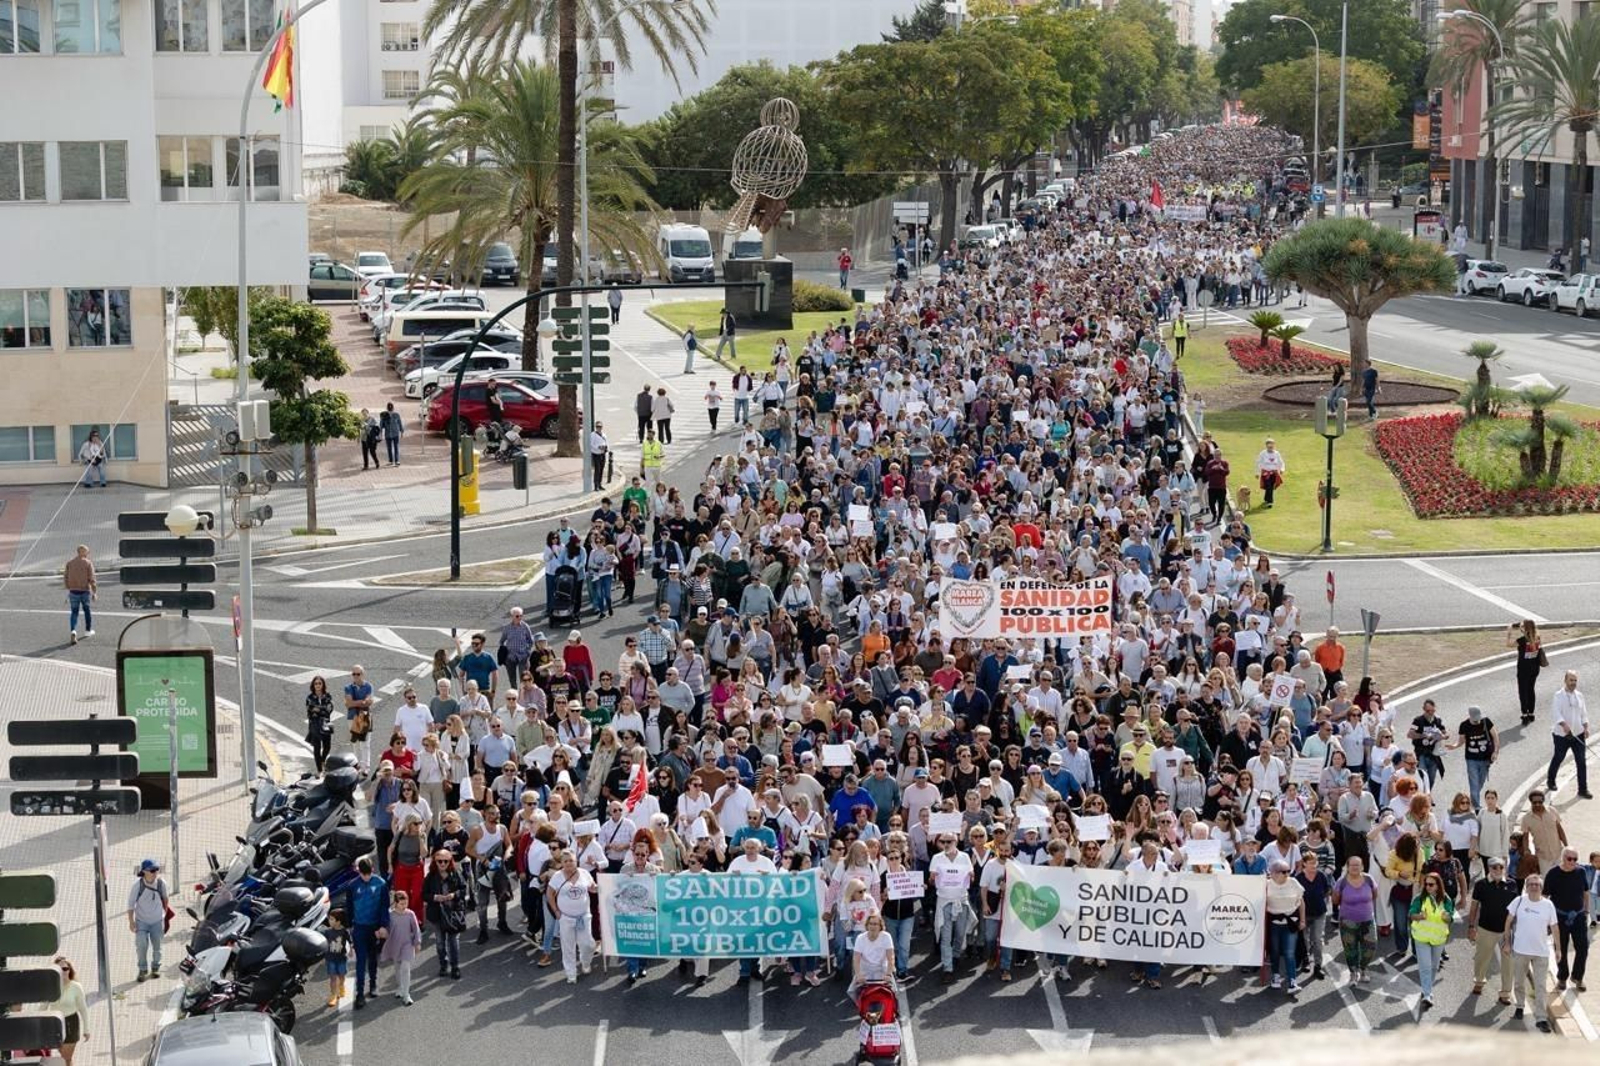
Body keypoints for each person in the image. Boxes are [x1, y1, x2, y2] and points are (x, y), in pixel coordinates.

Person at [1503, 873, 1559, 1032]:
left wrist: (1558, 949)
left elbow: (1555, 928)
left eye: (1537, 885)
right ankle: (1520, 1007)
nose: (1534, 887)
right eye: (1531, 884)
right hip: (1520, 950)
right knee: (1519, 982)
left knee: (1541, 985)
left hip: (1541, 952)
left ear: (1541, 888)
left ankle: (1541, 1018)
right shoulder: (1519, 901)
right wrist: (1507, 942)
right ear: (1526, 887)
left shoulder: (1548, 905)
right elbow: (1508, 921)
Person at [546, 851, 598, 984]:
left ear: (576, 861)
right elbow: (550, 894)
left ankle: (585, 962)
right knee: (568, 947)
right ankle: (571, 973)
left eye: (571, 860)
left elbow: (592, 889)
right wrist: (556, 911)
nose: (569, 863)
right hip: (566, 918)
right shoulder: (557, 876)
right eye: (566, 861)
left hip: (584, 916)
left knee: (588, 944)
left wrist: (597, 887)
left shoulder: (585, 873)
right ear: (562, 863)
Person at [1545, 847, 1591, 992]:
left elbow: (1586, 893)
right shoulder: (1553, 874)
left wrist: (1586, 911)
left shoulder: (1581, 871)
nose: (1572, 862)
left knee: (1583, 947)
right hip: (1559, 918)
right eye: (1569, 859)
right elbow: (1545, 897)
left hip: (1578, 916)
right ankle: (1562, 977)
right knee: (1561, 948)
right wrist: (1546, 919)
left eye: (1575, 859)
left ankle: (1577, 977)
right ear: (1563, 858)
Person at [345, 857, 388, 1010]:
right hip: (359, 928)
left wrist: (383, 925)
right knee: (361, 961)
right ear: (358, 872)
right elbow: (349, 908)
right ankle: (360, 994)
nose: (366, 877)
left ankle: (374, 985)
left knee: (373, 958)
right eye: (363, 874)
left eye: (368, 874)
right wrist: (349, 928)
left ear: (373, 870)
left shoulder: (381, 883)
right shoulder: (352, 886)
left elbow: (384, 906)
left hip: (375, 928)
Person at [1409, 870, 1455, 1009]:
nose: (1427, 887)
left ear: (1438, 886)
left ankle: (1427, 989)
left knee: (1434, 967)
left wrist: (1446, 917)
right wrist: (1419, 916)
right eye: (1426, 884)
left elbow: (1450, 917)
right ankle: (1427, 994)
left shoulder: (1446, 899)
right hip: (1421, 937)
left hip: (1438, 939)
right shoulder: (1420, 898)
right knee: (1425, 966)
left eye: (1431, 884)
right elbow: (1411, 914)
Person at [1331, 855, 1378, 984]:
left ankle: (1363, 969)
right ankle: (1353, 972)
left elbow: (1374, 895)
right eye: (1352, 865)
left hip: (1367, 920)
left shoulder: (1369, 879)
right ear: (1347, 867)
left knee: (1370, 946)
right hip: (1348, 921)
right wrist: (1335, 893)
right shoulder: (1342, 882)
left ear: (1362, 866)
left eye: (1358, 865)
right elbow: (1335, 901)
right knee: (1350, 949)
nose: (1355, 867)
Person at [423, 848, 468, 979]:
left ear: (450, 862)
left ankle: (455, 967)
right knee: (440, 942)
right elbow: (424, 894)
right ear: (435, 862)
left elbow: (464, 889)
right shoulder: (430, 877)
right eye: (439, 861)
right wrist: (436, 897)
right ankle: (443, 964)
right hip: (437, 914)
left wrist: (454, 895)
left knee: (453, 941)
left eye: (445, 861)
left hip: (453, 913)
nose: (442, 864)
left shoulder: (456, 874)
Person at [1548, 669, 1591, 799]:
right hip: (1562, 735)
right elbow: (1556, 713)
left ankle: (1583, 789)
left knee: (1581, 762)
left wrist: (1586, 727)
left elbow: (1583, 713)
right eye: (1571, 680)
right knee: (1559, 757)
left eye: (1575, 680)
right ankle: (1551, 780)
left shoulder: (1579, 696)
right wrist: (1563, 724)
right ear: (1565, 680)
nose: (1573, 683)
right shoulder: (1558, 696)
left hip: (1578, 734)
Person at [1266, 860, 1306, 994]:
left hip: (1291, 922)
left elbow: (1301, 902)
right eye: (1284, 872)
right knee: (1275, 951)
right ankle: (1275, 976)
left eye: (1288, 871)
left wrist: (1303, 920)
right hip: (1274, 923)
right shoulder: (1266, 885)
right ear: (1274, 873)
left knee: (1290, 953)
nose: (1287, 874)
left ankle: (1292, 982)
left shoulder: (1293, 882)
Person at [127, 859, 169, 982]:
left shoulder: (162, 884)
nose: (155, 873)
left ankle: (155, 968)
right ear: (144, 871)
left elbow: (165, 899)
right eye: (152, 870)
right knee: (141, 945)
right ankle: (143, 969)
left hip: (157, 921)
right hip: (141, 921)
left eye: (157, 870)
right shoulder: (137, 886)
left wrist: (163, 914)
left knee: (157, 946)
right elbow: (130, 905)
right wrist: (131, 921)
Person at [42, 956, 88, 1065]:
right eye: (59, 969)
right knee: (65, 1058)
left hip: (71, 1022)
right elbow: (43, 1007)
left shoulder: (76, 987)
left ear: (69, 970)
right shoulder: (50, 988)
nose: (63, 972)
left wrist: (86, 1030)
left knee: (66, 1056)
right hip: (55, 1022)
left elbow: (83, 1009)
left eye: (65, 969)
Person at [378, 889, 422, 1006]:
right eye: (401, 904)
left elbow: (416, 929)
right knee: (397, 968)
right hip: (395, 944)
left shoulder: (410, 914)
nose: (404, 906)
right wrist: (381, 932)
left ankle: (407, 995)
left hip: (407, 944)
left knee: (405, 967)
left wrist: (417, 943)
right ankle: (400, 987)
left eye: (406, 903)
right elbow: (386, 929)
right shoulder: (390, 915)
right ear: (396, 903)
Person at [1510, 619, 1546, 724]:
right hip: (1534, 668)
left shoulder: (1522, 640)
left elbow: (1508, 644)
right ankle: (1531, 713)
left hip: (1523, 670)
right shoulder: (1537, 638)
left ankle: (1524, 714)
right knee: (1531, 690)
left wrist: (1509, 632)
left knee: (1523, 692)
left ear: (1525, 628)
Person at [63, 544, 97, 646]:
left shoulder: (70, 563)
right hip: (84, 591)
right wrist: (94, 592)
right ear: (82, 552)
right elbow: (92, 579)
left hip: (73, 591)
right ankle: (87, 631)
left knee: (74, 612)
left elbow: (65, 577)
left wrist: (69, 588)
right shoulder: (88, 563)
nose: (88, 553)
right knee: (87, 610)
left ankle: (73, 630)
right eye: (87, 551)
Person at [305, 675, 335, 772]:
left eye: (319, 683)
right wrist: (321, 709)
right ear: (313, 685)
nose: (318, 685)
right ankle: (319, 770)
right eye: (316, 683)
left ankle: (322, 761)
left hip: (325, 724)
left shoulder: (328, 696)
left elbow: (329, 710)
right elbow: (310, 711)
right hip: (314, 725)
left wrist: (317, 709)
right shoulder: (309, 698)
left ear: (323, 685)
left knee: (327, 746)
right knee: (317, 748)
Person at [323, 910, 350, 1008]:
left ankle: (341, 986)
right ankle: (333, 994)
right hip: (330, 959)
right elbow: (323, 943)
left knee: (341, 976)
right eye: (329, 919)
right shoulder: (327, 932)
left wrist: (351, 950)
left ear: (338, 921)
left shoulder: (344, 932)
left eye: (332, 919)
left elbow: (350, 941)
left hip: (341, 958)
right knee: (333, 978)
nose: (329, 921)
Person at [1254, 438, 1285, 509]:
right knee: (1268, 486)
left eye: (1272, 446)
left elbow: (1281, 462)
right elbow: (1258, 463)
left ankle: (1266, 499)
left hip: (1274, 473)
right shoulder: (1263, 453)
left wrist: (1282, 469)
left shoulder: (1277, 453)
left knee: (1271, 487)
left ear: (1274, 445)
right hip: (1266, 473)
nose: (1270, 448)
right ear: (1266, 446)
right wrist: (1257, 473)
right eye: (1269, 446)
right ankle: (1270, 502)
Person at [380, 401, 404, 465]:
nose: (390, 411)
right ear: (387, 409)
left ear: (393, 408)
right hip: (388, 434)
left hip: (395, 433)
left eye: (391, 408)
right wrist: (381, 434)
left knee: (396, 447)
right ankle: (390, 461)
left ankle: (397, 461)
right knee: (389, 448)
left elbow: (400, 423)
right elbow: (381, 425)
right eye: (389, 408)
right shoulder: (384, 415)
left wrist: (401, 432)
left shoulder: (396, 415)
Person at [588, 420, 609, 492]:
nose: (599, 428)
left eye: (600, 426)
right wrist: (598, 447)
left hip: (602, 454)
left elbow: (606, 442)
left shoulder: (604, 435)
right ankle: (596, 485)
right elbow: (591, 444)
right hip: (596, 454)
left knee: (602, 469)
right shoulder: (593, 435)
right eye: (597, 427)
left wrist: (605, 448)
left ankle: (600, 484)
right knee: (597, 470)